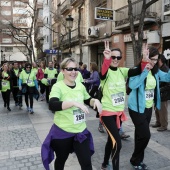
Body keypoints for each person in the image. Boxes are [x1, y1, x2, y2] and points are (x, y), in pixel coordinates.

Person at [41, 57, 102, 170]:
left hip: (80, 131)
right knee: (61, 161)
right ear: (63, 71)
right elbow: (52, 104)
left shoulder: (80, 86)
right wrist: (73, 103)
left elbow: (88, 100)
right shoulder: (58, 86)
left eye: (75, 69)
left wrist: (95, 101)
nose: (73, 72)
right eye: (69, 69)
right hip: (63, 132)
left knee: (86, 163)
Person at [99, 41, 141, 170]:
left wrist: (144, 60)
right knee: (117, 143)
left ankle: (105, 163)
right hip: (107, 114)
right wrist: (106, 60)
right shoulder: (105, 73)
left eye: (118, 57)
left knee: (111, 141)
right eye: (113, 57)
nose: (115, 59)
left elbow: (137, 71)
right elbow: (102, 73)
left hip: (118, 114)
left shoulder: (122, 71)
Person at [128, 46, 170, 170]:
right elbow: (132, 84)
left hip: (148, 108)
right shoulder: (137, 69)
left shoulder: (155, 71)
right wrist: (145, 70)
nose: (153, 62)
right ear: (145, 57)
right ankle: (134, 158)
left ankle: (138, 161)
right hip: (136, 108)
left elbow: (167, 77)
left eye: (156, 59)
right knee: (146, 135)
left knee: (139, 135)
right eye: (151, 59)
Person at [151, 54, 169, 131]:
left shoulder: (166, 69)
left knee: (163, 110)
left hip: (163, 94)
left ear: (160, 60)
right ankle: (158, 122)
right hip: (157, 93)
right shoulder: (158, 68)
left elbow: (168, 85)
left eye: (156, 60)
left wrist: (159, 90)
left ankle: (164, 125)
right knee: (157, 108)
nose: (155, 61)